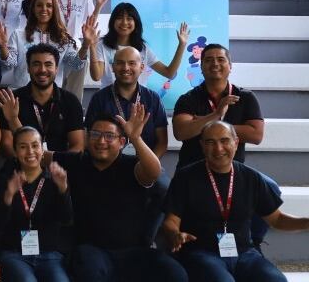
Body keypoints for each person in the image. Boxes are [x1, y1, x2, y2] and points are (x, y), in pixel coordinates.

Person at [49, 110, 188, 282]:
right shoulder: (74, 162)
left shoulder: (132, 166)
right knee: (90, 270)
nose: (101, 141)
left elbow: (154, 172)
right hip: (91, 250)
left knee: (175, 273)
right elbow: (33, 154)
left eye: (109, 136)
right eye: (95, 134)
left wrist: (136, 139)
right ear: (87, 137)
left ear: (122, 142)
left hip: (133, 252)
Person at [164, 121, 307, 282]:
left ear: (236, 142)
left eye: (224, 141)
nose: (218, 149)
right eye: (210, 142)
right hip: (201, 252)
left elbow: (277, 219)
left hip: (244, 252)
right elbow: (171, 221)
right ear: (202, 146)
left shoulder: (252, 178)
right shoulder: (186, 177)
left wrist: (306, 222)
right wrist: (175, 234)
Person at [171, 43, 274, 249]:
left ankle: (252, 242)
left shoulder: (246, 97)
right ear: (201, 67)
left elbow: (255, 134)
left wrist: (203, 125)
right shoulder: (188, 99)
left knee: (271, 188)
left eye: (220, 59)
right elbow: (181, 132)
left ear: (230, 65)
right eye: (208, 60)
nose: (215, 64)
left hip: (233, 171)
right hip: (195, 171)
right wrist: (216, 114)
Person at [0, 127, 72, 282]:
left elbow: (66, 219)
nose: (30, 151)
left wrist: (63, 189)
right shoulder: (6, 180)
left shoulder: (55, 178)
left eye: (35, 146)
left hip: (50, 255)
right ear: (15, 151)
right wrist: (9, 195)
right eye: (23, 147)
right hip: (14, 254)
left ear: (43, 150)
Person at [0, 44, 85, 157]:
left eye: (48, 64)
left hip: (60, 169)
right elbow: (6, 144)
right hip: (21, 168)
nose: (42, 70)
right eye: (36, 64)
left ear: (56, 69)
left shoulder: (70, 101)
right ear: (28, 68)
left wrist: (54, 163)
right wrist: (29, 165)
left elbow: (77, 145)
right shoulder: (12, 99)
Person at [85, 46, 168, 158]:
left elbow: (162, 142)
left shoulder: (153, 99)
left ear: (142, 67)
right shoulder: (99, 98)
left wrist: (149, 166)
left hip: (144, 166)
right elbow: (89, 137)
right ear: (113, 67)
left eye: (132, 63)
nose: (125, 68)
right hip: (108, 166)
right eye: (120, 63)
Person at [46, 0, 109, 100]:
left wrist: (98, 6)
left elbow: (89, 23)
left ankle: (73, 111)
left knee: (76, 75)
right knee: (53, 87)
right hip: (51, 46)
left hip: (72, 48)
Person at [4, 0, 94, 90]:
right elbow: (9, 64)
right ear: (33, 9)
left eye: (49, 5)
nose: (44, 9)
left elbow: (75, 64)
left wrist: (85, 45)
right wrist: (3, 47)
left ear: (54, 10)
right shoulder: (18, 35)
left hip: (52, 97)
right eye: (39, 5)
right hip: (22, 94)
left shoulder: (63, 39)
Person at [90, 2, 190, 88]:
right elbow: (96, 76)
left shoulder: (143, 48)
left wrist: (182, 45)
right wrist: (91, 47)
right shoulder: (102, 45)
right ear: (113, 22)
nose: (124, 22)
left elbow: (169, 73)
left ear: (136, 22)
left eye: (129, 18)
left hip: (138, 104)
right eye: (119, 18)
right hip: (109, 102)